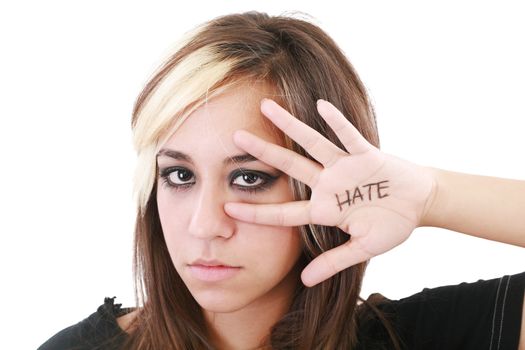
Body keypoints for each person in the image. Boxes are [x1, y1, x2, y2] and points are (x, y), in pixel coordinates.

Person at [38, 11, 524, 350]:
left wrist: (433, 196)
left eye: (248, 177)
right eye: (179, 174)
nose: (205, 226)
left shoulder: (419, 339)